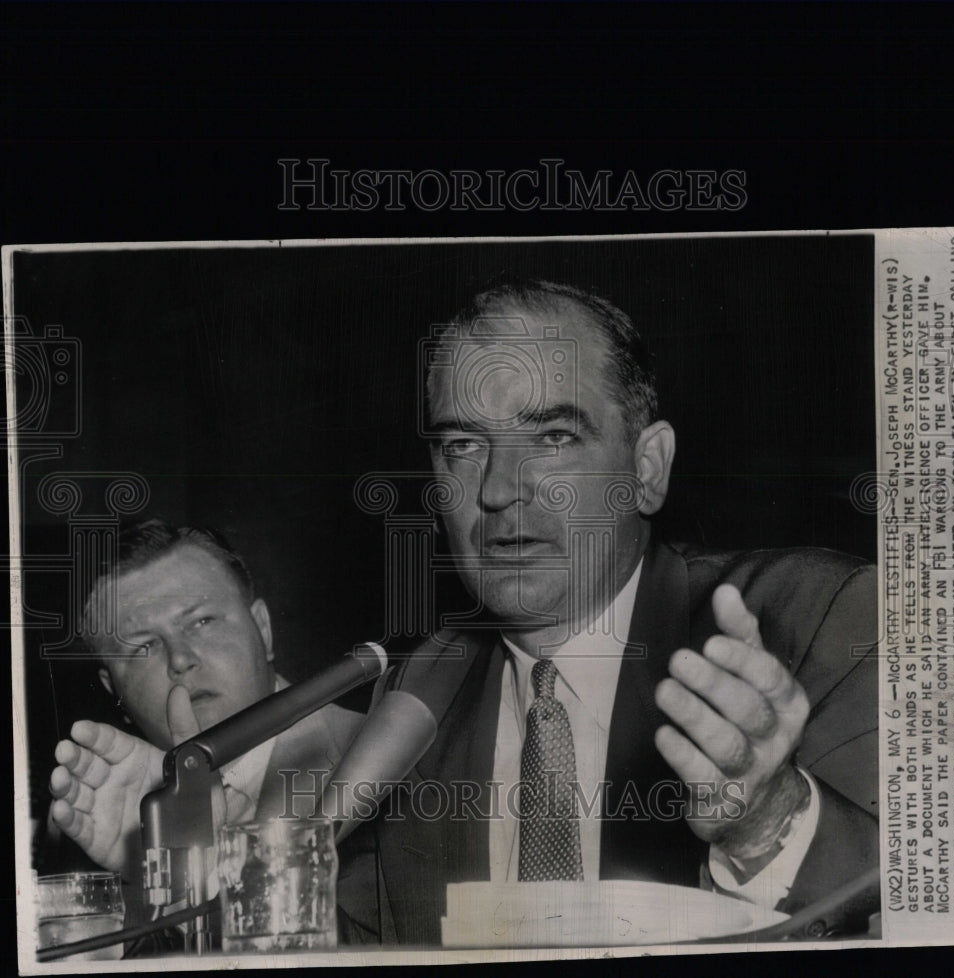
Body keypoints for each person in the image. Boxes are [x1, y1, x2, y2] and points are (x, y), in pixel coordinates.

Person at [345, 280, 878, 944]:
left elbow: (930, 897)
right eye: (463, 445)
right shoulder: (417, 694)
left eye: (555, 436)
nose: (501, 488)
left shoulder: (822, 618)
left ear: (647, 469)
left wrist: (765, 821)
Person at [46, 520, 365, 926]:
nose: (180, 659)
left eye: (201, 622)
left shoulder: (380, 768)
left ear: (263, 631)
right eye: (144, 646)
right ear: (115, 694)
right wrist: (169, 881)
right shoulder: (100, 824)